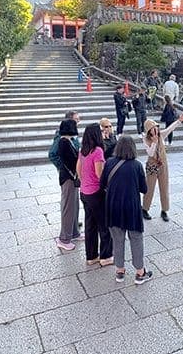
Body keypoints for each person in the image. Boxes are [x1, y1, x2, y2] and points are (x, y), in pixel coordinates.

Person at [100, 135, 152, 284]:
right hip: (131, 208)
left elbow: (102, 183)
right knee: (136, 238)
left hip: (113, 207)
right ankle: (140, 272)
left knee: (117, 239)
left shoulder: (109, 163)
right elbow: (144, 188)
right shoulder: (136, 165)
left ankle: (120, 271)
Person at [142, 113, 183, 221]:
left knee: (164, 187)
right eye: (153, 129)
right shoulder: (146, 139)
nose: (155, 130)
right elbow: (150, 153)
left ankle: (164, 210)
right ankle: (144, 209)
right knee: (149, 187)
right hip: (152, 165)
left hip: (163, 165)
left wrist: (179, 120)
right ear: (149, 131)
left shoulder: (161, 135)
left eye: (156, 128)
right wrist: (154, 143)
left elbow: (170, 128)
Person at [77, 123, 113, 266]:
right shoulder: (97, 151)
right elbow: (100, 175)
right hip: (96, 194)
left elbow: (78, 170)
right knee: (104, 225)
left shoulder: (83, 150)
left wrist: (85, 181)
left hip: (84, 192)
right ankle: (105, 256)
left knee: (90, 225)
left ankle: (91, 256)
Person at [55, 119, 80, 251]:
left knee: (74, 206)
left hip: (71, 177)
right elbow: (72, 160)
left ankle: (74, 232)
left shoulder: (67, 141)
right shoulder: (64, 142)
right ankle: (64, 238)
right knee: (68, 208)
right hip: (68, 178)